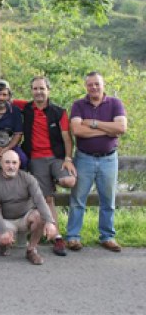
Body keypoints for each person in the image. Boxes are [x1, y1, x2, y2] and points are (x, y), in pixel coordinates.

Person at [66, 72, 127, 252]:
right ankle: (73, 236)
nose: (94, 87)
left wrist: (92, 123)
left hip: (109, 158)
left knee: (108, 200)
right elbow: (77, 130)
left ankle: (107, 236)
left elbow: (121, 128)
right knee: (78, 199)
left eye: (97, 84)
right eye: (90, 84)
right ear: (86, 86)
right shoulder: (78, 105)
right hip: (84, 158)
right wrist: (108, 130)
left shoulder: (115, 103)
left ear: (103, 85)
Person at [15, 76, 76, 257]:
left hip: (57, 158)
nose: (38, 92)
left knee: (69, 180)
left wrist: (68, 158)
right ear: (31, 91)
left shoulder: (59, 112)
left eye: (42, 88)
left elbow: (67, 138)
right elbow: (1, 98)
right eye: (35, 88)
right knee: (47, 199)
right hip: (36, 159)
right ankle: (57, 237)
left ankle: (55, 179)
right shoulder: (25, 108)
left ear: (48, 90)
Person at [0, 150, 58, 265]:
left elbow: (40, 200)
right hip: (6, 220)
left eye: (14, 163)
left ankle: (31, 250)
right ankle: (5, 245)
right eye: (7, 162)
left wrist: (50, 222)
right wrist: (2, 230)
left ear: (19, 164)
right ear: (1, 163)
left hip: (25, 217)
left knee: (40, 216)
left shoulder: (28, 178)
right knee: (1, 239)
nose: (11, 166)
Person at [0, 80, 27, 169]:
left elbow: (18, 134)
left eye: (4, 95)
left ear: (8, 96)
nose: (1, 98)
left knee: (23, 159)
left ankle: (19, 181)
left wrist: (6, 149)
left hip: (9, 145)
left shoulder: (14, 111)